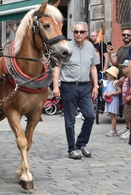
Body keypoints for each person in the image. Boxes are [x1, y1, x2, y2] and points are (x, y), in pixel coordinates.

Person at [53, 22, 99, 159]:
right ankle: (72, 149)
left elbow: (93, 68)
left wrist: (95, 86)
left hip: (85, 86)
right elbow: (57, 67)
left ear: (86, 34)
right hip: (69, 86)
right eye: (76, 31)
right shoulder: (66, 47)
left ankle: (81, 143)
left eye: (81, 32)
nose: (78, 34)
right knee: (70, 119)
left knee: (90, 116)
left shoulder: (90, 48)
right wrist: (56, 86)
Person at [103, 66, 121, 137]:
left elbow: (119, 91)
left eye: (108, 73)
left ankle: (113, 130)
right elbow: (107, 89)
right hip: (110, 100)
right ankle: (113, 129)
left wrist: (111, 94)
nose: (107, 74)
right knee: (111, 115)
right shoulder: (109, 82)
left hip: (113, 100)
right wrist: (105, 92)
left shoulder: (115, 82)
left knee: (113, 116)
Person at [118, 60, 131, 140]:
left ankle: (130, 131)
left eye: (124, 67)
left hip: (129, 100)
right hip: (125, 100)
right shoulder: (126, 77)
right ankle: (128, 129)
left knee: (129, 116)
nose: (122, 69)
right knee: (126, 116)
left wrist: (130, 96)